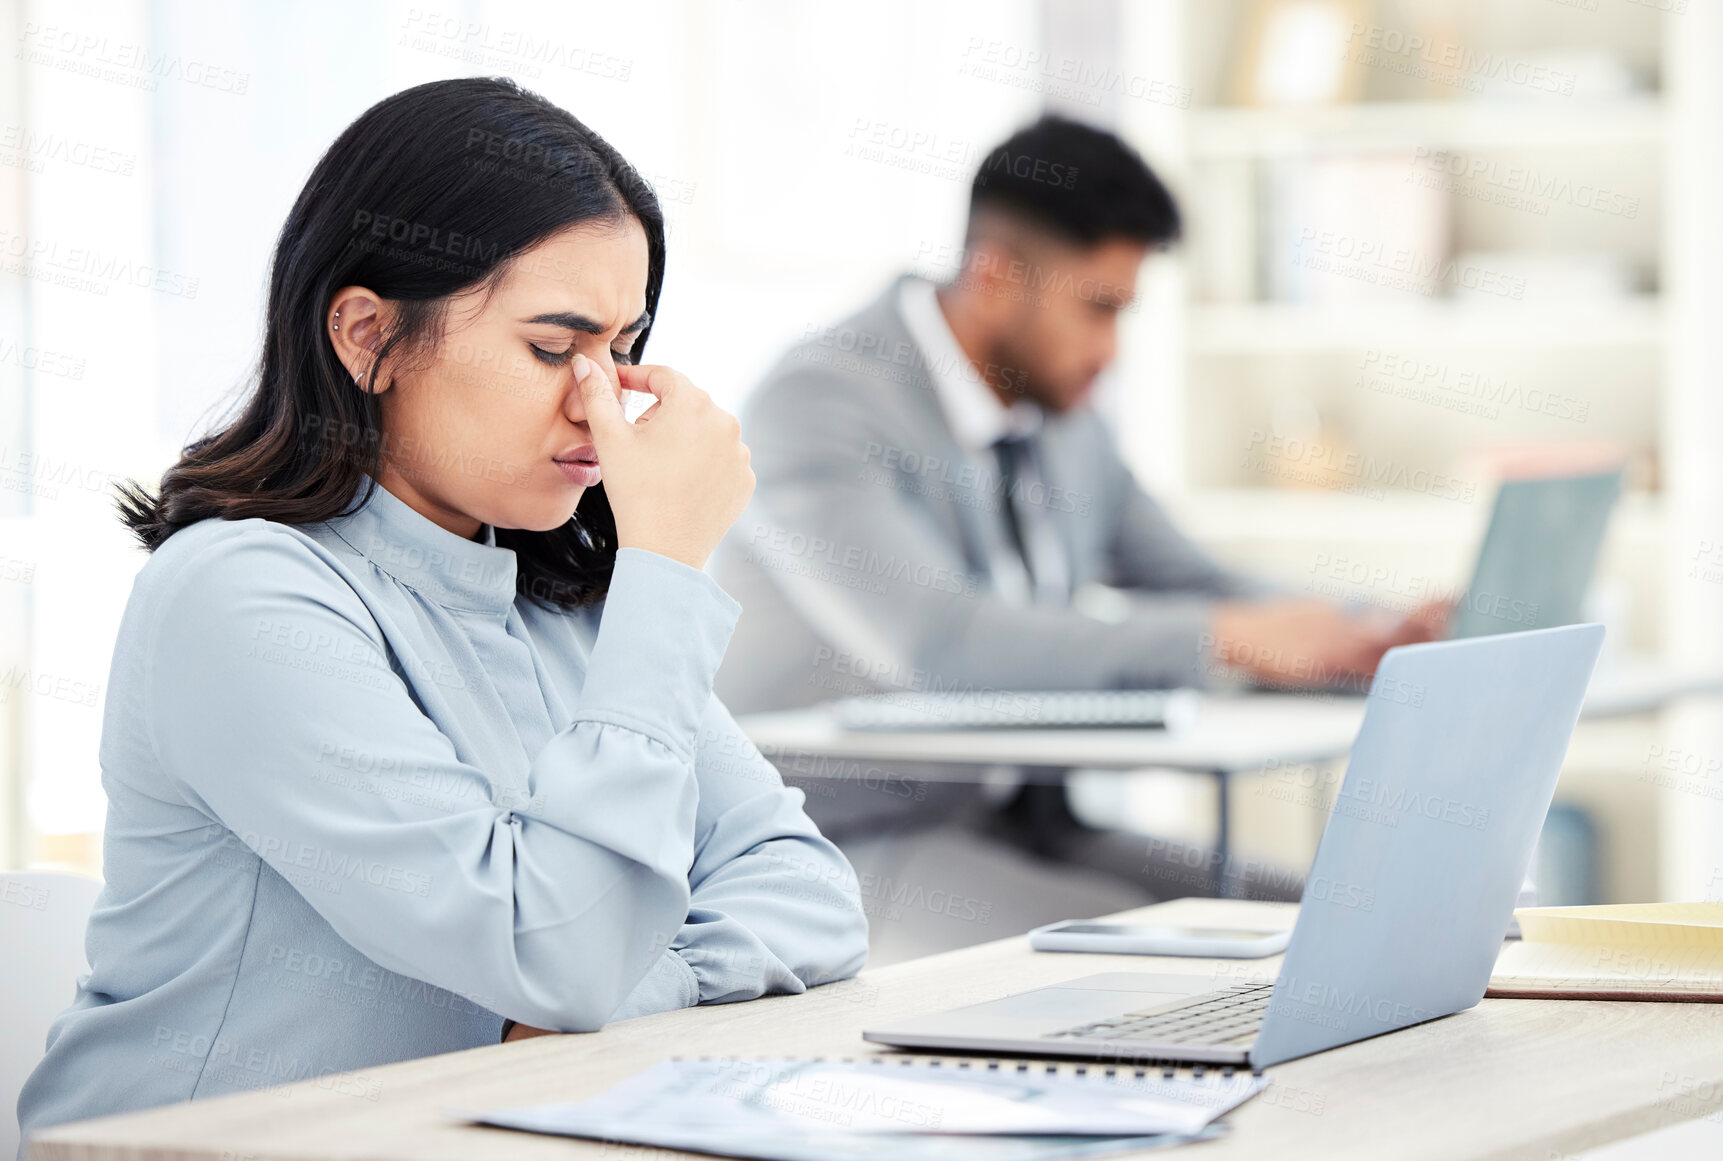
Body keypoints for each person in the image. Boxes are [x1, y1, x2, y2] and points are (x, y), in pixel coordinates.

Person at [16, 77, 866, 1146]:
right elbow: (556, 956)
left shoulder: (563, 594)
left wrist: (639, 994)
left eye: (621, 346)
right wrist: (665, 570)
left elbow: (807, 891)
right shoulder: (239, 598)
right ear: (368, 336)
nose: (599, 400)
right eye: (553, 348)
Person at [710, 114, 1441, 960]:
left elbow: (1187, 576)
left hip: (1019, 822)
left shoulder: (1057, 409)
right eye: (1098, 307)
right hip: (834, 842)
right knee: (1211, 968)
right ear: (993, 275)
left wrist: (1368, 628)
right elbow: (938, 642)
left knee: (1347, 919)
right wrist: (1229, 639)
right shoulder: (816, 404)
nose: (1111, 351)